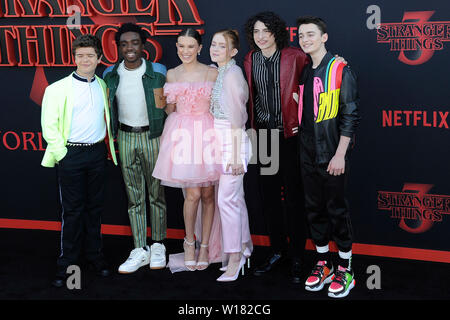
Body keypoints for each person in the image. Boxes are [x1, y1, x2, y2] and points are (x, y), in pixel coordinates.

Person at [41, 34, 118, 287]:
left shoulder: (103, 85)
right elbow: (49, 126)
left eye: (90, 55)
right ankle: (68, 266)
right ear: (74, 58)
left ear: (99, 58)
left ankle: (95, 257)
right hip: (71, 155)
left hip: (97, 154)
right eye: (80, 55)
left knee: (95, 210)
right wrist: (62, 154)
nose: (85, 59)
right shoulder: (56, 89)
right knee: (73, 212)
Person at [296, 16, 360, 298]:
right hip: (307, 152)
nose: (305, 39)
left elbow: (350, 116)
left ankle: (346, 269)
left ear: (324, 37)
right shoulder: (306, 71)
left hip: (332, 154)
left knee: (336, 210)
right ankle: (323, 263)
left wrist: (340, 155)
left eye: (311, 34)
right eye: (301, 35)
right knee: (314, 209)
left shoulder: (340, 70)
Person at [243, 11, 309, 283]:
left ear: (276, 33)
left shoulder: (295, 56)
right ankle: (277, 251)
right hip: (264, 138)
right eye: (256, 31)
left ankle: (297, 255)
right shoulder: (250, 59)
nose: (260, 36)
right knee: (269, 198)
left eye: (266, 31)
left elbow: (316, 77)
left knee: (294, 198)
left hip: (290, 136)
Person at [152, 28, 221, 272]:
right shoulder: (171, 74)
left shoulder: (212, 73)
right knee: (192, 194)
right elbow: (169, 108)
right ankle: (189, 242)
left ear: (200, 48)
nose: (185, 51)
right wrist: (162, 101)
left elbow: (221, 106)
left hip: (208, 134)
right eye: (181, 46)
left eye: (190, 46)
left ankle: (205, 246)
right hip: (181, 135)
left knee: (208, 195)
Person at [103, 23, 168, 273]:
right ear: (118, 47)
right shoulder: (110, 74)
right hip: (125, 136)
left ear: (143, 45)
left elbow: (165, 105)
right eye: (124, 44)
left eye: (135, 43)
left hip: (153, 137)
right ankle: (140, 248)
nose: (130, 48)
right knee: (134, 197)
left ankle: (158, 244)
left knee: (157, 194)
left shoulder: (159, 72)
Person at [209, 29, 253, 282]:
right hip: (220, 139)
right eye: (214, 44)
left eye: (222, 46)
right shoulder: (223, 71)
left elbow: (238, 119)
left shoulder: (233, 75)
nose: (215, 49)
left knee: (227, 201)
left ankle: (235, 257)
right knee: (234, 200)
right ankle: (244, 247)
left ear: (233, 51)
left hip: (232, 142)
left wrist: (236, 156)